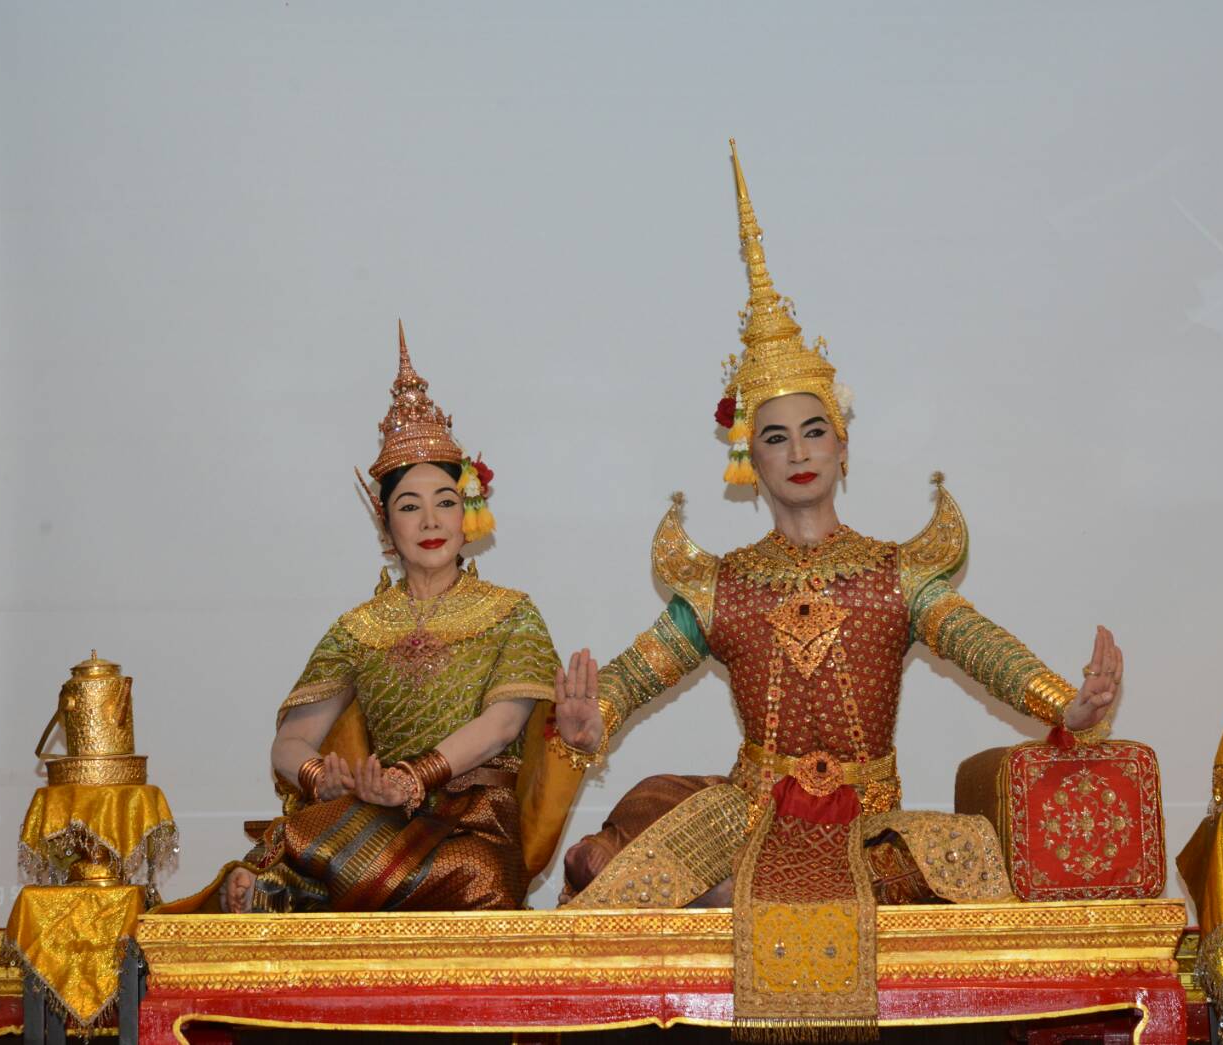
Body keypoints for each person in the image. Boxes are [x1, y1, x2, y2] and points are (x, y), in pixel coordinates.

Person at [550, 142, 1122, 1039]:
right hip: (749, 817)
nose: (800, 450)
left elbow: (980, 645)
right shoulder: (727, 585)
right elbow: (634, 670)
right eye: (776, 436)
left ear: (844, 445)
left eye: (815, 430)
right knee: (617, 874)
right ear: (750, 458)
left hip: (868, 826)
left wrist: (1064, 702)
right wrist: (595, 719)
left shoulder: (898, 572)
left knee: (968, 870)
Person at [202, 322, 567, 913]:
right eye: (409, 506)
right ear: (386, 523)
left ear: (468, 512)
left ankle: (302, 895)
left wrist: (418, 776)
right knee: (303, 834)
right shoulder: (360, 627)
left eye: (445, 502)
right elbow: (289, 743)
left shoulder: (510, 612)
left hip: (472, 819)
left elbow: (503, 725)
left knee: (475, 874)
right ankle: (293, 891)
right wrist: (320, 777)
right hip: (382, 813)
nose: (430, 522)